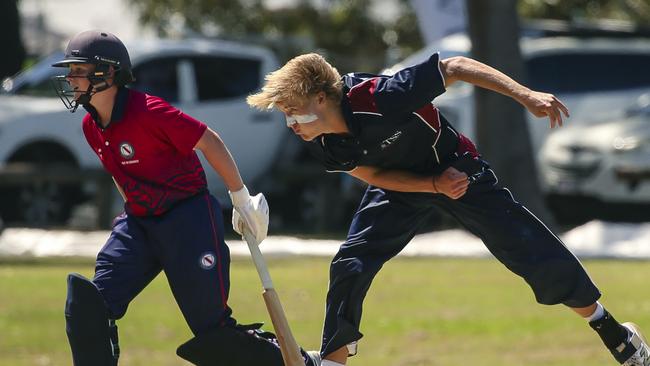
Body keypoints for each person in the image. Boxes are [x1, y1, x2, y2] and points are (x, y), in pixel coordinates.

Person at [246, 52, 650, 365]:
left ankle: (611, 328)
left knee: (525, 248)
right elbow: (371, 175)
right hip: (402, 185)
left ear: (321, 98)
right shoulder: (321, 141)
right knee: (351, 262)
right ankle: (334, 360)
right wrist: (428, 186)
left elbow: (455, 66)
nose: (291, 125)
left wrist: (524, 95)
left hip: (456, 168)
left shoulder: (381, 96)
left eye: (294, 112)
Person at [51, 30, 320, 366]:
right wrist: (129, 217)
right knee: (87, 309)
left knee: (214, 336)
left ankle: (299, 362)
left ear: (106, 74)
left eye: (78, 70)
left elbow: (209, 140)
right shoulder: (93, 128)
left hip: (187, 221)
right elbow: (123, 177)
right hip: (140, 224)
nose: (70, 78)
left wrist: (241, 198)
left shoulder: (149, 111)